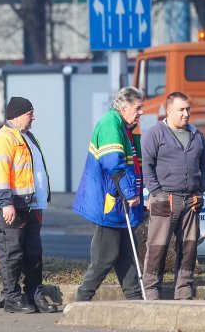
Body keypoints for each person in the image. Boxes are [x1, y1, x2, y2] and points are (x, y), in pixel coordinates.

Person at [72, 86, 145, 301]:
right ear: (124, 107)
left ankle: (135, 299)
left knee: (126, 255)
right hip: (109, 203)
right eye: (138, 107)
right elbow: (114, 163)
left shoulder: (123, 128)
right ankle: (82, 299)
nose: (141, 112)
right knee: (106, 255)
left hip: (118, 204)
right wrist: (130, 193)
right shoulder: (110, 123)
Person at [0, 96, 56, 314]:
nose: (33, 117)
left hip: (31, 205)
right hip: (12, 206)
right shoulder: (4, 139)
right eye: (30, 113)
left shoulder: (27, 137)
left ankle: (35, 294)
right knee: (12, 252)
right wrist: (6, 203)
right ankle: (12, 299)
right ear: (17, 115)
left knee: (34, 252)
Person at [141, 91, 205, 300]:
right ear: (169, 110)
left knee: (189, 247)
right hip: (165, 199)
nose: (186, 114)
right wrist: (157, 193)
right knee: (157, 247)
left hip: (191, 200)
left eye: (188, 109)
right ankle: (151, 290)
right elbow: (147, 166)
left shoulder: (197, 134)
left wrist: (201, 189)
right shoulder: (154, 134)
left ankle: (184, 290)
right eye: (181, 109)